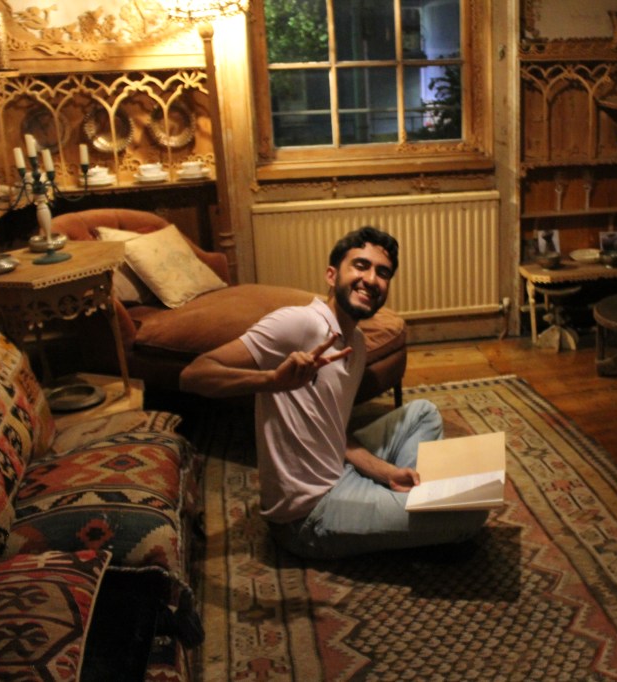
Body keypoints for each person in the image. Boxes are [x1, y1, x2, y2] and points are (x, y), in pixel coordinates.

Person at [180, 226, 488, 559]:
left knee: (424, 412)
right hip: (308, 513)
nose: (370, 279)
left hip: (337, 468)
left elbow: (334, 433)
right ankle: (408, 509)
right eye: (360, 265)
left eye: (382, 273)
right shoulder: (297, 324)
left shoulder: (355, 342)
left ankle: (405, 494)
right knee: (471, 515)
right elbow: (194, 374)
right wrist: (271, 381)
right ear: (331, 275)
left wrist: (386, 472)